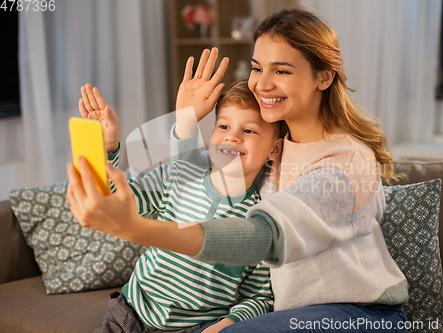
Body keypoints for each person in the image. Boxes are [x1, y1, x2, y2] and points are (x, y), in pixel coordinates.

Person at [68, 7, 409, 332]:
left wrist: (136, 228)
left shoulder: (345, 161)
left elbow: (264, 237)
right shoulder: (270, 153)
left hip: (357, 311)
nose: (261, 83)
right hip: (288, 311)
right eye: (258, 68)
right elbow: (189, 175)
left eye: (282, 70)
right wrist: (176, 123)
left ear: (324, 76)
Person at [73, 77, 287, 332]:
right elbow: (110, 199)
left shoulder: (258, 219)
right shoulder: (175, 176)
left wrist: (226, 325)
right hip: (129, 315)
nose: (232, 137)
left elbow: (259, 298)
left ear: (274, 149)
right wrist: (106, 146)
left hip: (194, 327)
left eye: (248, 130)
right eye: (224, 126)